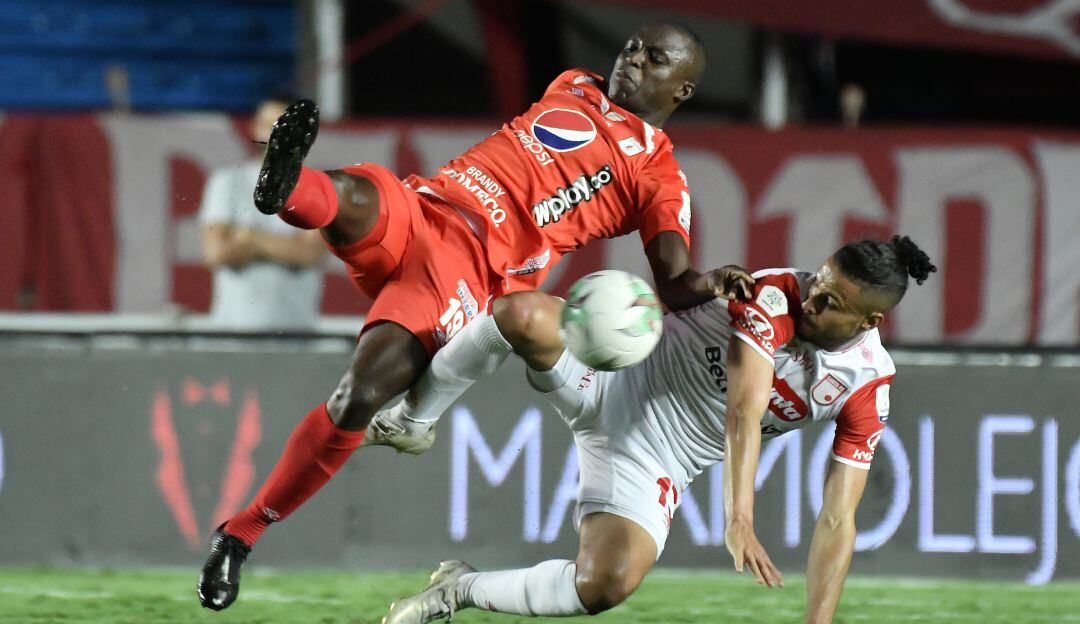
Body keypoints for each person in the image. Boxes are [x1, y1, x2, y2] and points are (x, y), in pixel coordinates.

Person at [199, 22, 739, 611]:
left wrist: (712, 283)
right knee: (355, 194)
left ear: (682, 90)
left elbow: (675, 281)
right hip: (427, 204)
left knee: (356, 395)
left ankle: (239, 535)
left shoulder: (658, 177)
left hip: (472, 268)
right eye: (632, 46)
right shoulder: (574, 83)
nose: (632, 58)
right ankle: (285, 190)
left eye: (654, 58)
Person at [381, 236, 936, 624]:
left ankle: (458, 589)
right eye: (817, 281)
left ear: (870, 323)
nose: (810, 299)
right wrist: (738, 517)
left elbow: (839, 519)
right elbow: (744, 411)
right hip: (613, 373)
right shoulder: (773, 295)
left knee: (605, 584)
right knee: (520, 316)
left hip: (657, 459)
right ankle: (413, 420)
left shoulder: (867, 386)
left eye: (830, 302)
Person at [199, 95, 325, 330]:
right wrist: (286, 246)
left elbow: (310, 254)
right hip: (231, 333)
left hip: (298, 335)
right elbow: (216, 253)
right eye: (269, 126)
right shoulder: (227, 182)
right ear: (256, 128)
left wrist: (249, 238)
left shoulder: (318, 188)